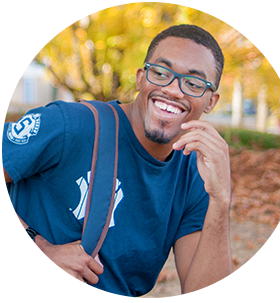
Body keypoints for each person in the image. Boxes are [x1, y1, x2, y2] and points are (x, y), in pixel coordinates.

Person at [1, 24, 232, 299]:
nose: (173, 89)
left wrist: (220, 201)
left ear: (211, 101)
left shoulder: (194, 177)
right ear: (140, 78)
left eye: (193, 83)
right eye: (161, 72)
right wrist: (39, 251)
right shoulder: (72, 125)